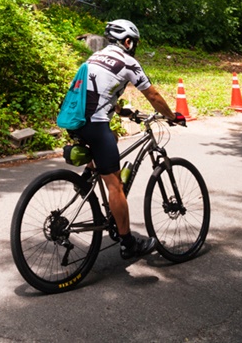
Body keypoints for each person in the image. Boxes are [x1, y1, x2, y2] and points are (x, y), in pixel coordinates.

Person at [74, 18, 186, 260]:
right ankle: (127, 243)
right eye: (133, 42)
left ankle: (87, 175)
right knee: (115, 185)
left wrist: (123, 111)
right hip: (95, 125)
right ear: (127, 41)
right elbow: (153, 95)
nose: (133, 46)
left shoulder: (94, 58)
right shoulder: (128, 62)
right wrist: (172, 117)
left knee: (110, 139)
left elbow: (99, 91)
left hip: (74, 121)